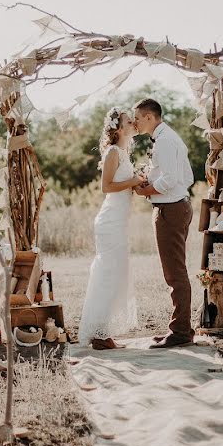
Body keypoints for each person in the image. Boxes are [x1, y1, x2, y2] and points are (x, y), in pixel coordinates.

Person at [78, 107, 145, 350]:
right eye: (129, 121)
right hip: (109, 222)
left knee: (116, 276)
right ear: (119, 128)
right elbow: (107, 187)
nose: (134, 124)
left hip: (119, 221)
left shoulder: (125, 152)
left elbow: (125, 185)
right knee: (108, 276)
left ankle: (102, 332)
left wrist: (138, 182)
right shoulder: (113, 152)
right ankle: (98, 335)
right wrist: (134, 181)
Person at [133, 98, 196, 349]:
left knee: (175, 273)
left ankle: (180, 332)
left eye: (137, 118)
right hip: (176, 206)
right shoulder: (169, 138)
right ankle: (180, 328)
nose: (135, 123)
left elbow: (169, 179)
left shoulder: (165, 141)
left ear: (149, 117)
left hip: (170, 209)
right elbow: (187, 176)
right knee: (175, 271)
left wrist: (146, 189)